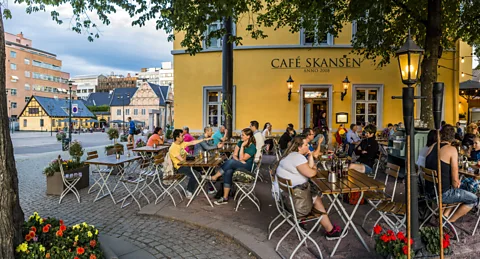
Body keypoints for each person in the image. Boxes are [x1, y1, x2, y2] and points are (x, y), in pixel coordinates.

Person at [275, 135, 344, 240]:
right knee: (316, 198)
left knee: (314, 195)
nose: (309, 146)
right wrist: (315, 169)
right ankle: (331, 231)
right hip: (296, 203)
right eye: (306, 145)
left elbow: (308, 168)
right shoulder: (297, 158)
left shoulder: (289, 156)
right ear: (299, 147)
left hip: (283, 199)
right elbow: (311, 173)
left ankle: (313, 224)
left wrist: (310, 157)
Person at [425, 124, 478, 224]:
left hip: (429, 192)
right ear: (453, 137)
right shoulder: (451, 150)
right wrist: (456, 184)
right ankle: (448, 222)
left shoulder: (432, 147)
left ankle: (443, 217)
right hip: (443, 194)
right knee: (473, 199)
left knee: (458, 192)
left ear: (440, 135)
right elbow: (454, 182)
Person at [206, 128, 257, 205]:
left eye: (243, 135)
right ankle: (225, 197)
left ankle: (215, 177)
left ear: (248, 136)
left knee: (230, 162)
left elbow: (242, 158)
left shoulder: (252, 147)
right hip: (239, 164)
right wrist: (238, 160)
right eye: (241, 134)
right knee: (228, 170)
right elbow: (234, 155)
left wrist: (242, 147)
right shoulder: (240, 142)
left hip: (246, 167)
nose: (241, 136)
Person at [169, 129, 212, 199]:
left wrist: (204, 139)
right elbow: (182, 160)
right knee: (195, 174)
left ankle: (206, 184)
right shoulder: (173, 148)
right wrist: (192, 160)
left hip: (187, 164)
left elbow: (193, 142)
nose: (184, 137)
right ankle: (189, 190)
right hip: (180, 167)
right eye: (182, 136)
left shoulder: (181, 143)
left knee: (205, 168)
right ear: (177, 137)